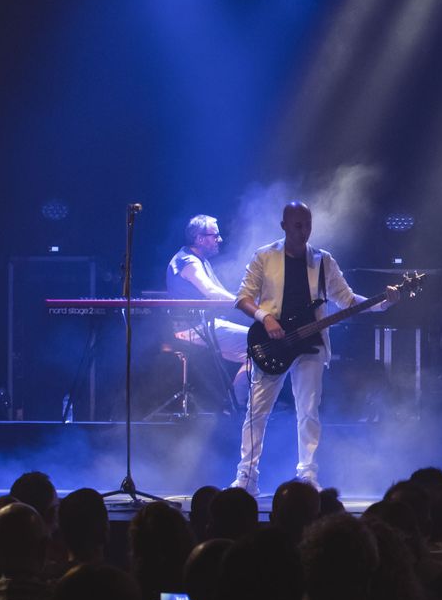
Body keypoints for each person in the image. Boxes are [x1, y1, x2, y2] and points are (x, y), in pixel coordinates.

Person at [230, 201, 399, 494]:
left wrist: (381, 303)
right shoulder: (264, 257)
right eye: (297, 225)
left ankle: (307, 476)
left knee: (309, 411)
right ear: (284, 225)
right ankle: (247, 477)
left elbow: (346, 299)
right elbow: (242, 297)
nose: (303, 231)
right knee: (257, 411)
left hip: (311, 343)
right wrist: (265, 317)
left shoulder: (323, 260)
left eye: (307, 224)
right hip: (272, 343)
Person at [166, 214, 252, 408]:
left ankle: (238, 405)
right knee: (264, 345)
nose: (219, 240)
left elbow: (221, 295)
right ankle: (238, 405)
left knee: (261, 351)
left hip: (203, 325)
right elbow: (211, 292)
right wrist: (248, 304)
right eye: (215, 236)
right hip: (194, 328)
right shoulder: (188, 261)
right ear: (199, 238)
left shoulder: (200, 260)